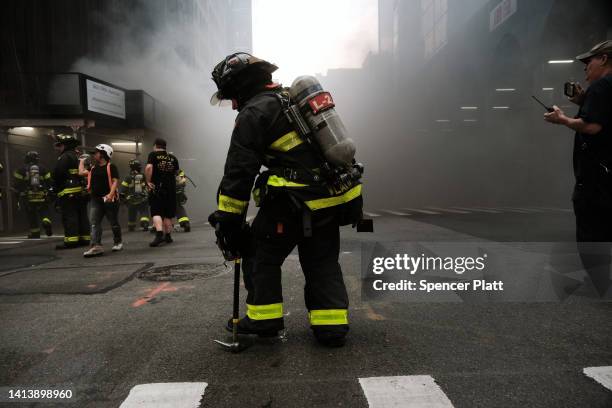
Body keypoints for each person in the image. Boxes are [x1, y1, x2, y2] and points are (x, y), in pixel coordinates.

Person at [207, 53, 364, 347]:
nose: (232, 104)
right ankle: (331, 327)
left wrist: (229, 219)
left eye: (231, 96)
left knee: (258, 252)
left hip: (291, 201)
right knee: (322, 262)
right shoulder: (289, 101)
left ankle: (264, 319)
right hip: (329, 199)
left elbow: (239, 171)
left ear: (241, 87)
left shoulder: (254, 113)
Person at [544, 40, 612, 296]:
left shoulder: (602, 85)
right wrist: (584, 100)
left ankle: (600, 287)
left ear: (604, 59)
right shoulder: (603, 90)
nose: (585, 69)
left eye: (589, 62)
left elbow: (594, 127)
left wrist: (562, 119)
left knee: (592, 231)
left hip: (596, 177)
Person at [79, 144, 122, 257]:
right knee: (94, 223)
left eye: (96, 153)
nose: (94, 155)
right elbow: (81, 172)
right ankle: (96, 246)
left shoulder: (111, 167)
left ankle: (118, 242)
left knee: (113, 222)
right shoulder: (93, 168)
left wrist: (110, 194)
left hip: (109, 199)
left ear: (103, 154)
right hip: (96, 199)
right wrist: (82, 161)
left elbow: (114, 182)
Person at [53, 134, 90, 249]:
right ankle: (84, 239)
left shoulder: (64, 157)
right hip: (81, 191)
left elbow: (58, 174)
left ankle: (71, 241)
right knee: (82, 216)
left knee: (70, 216)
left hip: (68, 192)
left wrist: (54, 187)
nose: (58, 148)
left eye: (60, 145)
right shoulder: (78, 156)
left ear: (64, 145)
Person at [145, 138, 179, 247]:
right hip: (171, 189)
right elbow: (177, 173)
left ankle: (159, 234)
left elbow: (149, 167)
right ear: (165, 147)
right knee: (168, 214)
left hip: (157, 188)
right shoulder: (173, 158)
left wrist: (148, 181)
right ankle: (168, 236)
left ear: (155, 146)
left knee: (156, 212)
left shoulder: (153, 155)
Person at [12, 151, 53, 238]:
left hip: (28, 196)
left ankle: (35, 233)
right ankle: (46, 220)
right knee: (44, 210)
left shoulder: (21, 169)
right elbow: (49, 182)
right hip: (41, 194)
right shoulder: (43, 168)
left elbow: (16, 184)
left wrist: (18, 194)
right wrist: (49, 192)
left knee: (31, 214)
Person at [120, 159, 150, 232]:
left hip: (131, 199)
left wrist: (122, 198)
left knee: (131, 212)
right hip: (142, 198)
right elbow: (147, 186)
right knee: (144, 211)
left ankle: (131, 225)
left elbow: (123, 189)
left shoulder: (127, 177)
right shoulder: (142, 176)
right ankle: (145, 223)